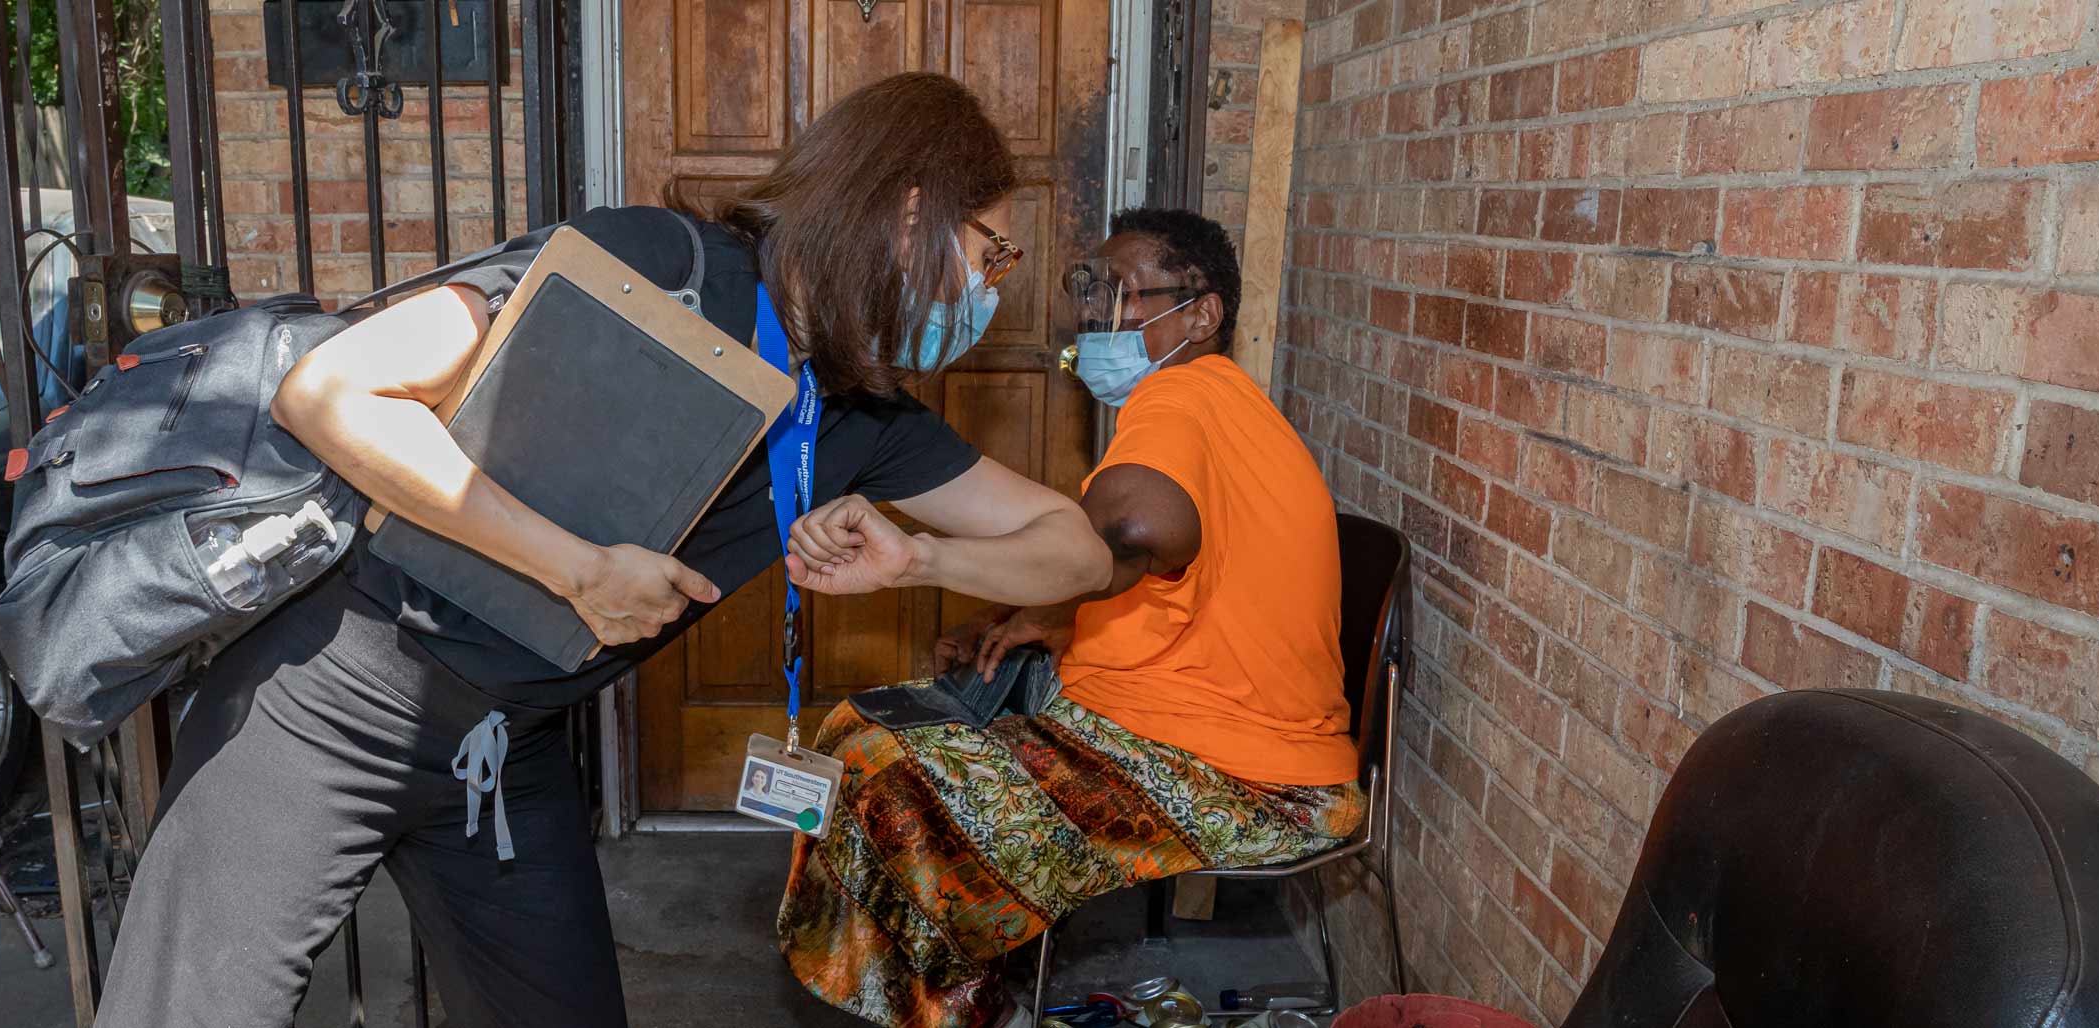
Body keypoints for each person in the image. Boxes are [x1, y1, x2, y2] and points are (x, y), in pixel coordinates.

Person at [95, 73, 1112, 1028]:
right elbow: (330, 391)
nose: (989, 289)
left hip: (506, 749)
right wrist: (573, 567)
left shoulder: (864, 417)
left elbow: (1077, 553)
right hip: (328, 703)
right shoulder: (652, 265)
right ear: (908, 210)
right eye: (990, 253)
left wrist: (919, 561)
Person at [778, 208, 1365, 1028]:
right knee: (856, 735)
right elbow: (1194, 578)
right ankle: (960, 984)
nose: (1097, 316)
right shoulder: (1222, 407)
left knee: (888, 792)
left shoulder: (1183, 396)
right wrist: (1044, 618)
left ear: (1201, 315)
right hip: (1186, 724)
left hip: (1244, 775)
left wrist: (939, 562)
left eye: (1124, 295)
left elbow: (1136, 531)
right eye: (1090, 293)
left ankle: (954, 1007)